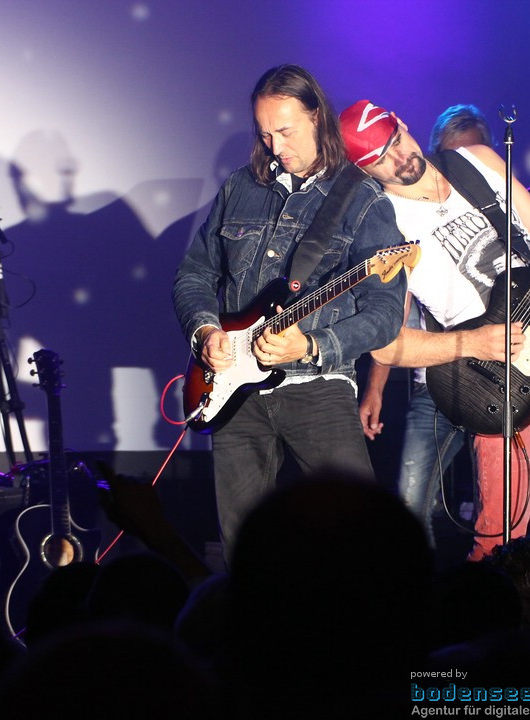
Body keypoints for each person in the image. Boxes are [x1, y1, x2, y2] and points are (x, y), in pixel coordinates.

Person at [339, 99, 530, 580]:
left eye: (396, 141)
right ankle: (481, 647)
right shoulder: (383, 227)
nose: (398, 158)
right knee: (500, 543)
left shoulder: (478, 161)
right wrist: (471, 344)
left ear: (404, 125)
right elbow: (387, 344)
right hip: (499, 383)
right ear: (362, 171)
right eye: (379, 160)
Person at [173, 66, 407, 559]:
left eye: (285, 131)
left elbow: (386, 314)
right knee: (244, 550)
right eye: (264, 134)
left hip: (318, 389)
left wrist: (315, 345)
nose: (275, 146)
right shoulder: (240, 188)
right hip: (234, 392)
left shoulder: (361, 199)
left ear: (316, 116)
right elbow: (194, 275)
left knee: (360, 540)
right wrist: (206, 329)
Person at [358, 104, 493, 546]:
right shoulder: (399, 218)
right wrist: (375, 389)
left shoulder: (486, 194)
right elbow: (394, 315)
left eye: (475, 151)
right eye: (455, 153)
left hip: (507, 377)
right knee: (411, 507)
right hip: (436, 385)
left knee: (500, 510)